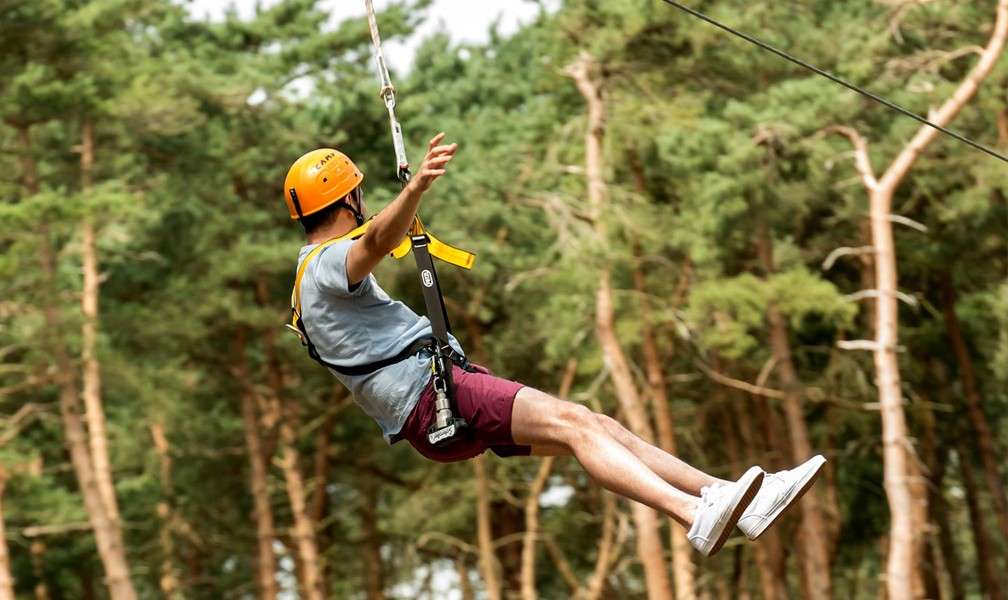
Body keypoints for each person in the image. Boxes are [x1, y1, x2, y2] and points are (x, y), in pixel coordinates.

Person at [282, 134, 826, 556]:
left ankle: (728, 499)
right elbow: (378, 239)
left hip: (433, 401)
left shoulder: (310, 283)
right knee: (577, 425)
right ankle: (693, 514)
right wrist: (415, 187)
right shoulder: (326, 265)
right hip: (433, 395)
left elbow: (376, 240)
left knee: (592, 426)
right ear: (347, 197)